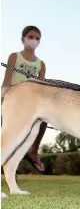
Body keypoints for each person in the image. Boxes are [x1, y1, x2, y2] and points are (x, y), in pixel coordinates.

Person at [2, 25, 47, 174]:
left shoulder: (41, 64)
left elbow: (41, 87)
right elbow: (7, 79)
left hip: (32, 102)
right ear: (23, 39)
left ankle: (33, 151)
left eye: (37, 38)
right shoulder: (14, 57)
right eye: (31, 37)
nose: (34, 40)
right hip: (13, 100)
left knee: (44, 120)